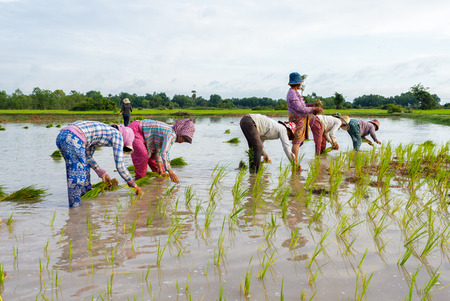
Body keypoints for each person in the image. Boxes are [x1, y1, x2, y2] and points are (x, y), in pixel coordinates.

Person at [56, 121, 142, 207]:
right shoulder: (118, 135)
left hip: (62, 136)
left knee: (83, 168)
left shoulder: (99, 133)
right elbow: (120, 166)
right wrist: (133, 185)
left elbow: (87, 157)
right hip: (73, 138)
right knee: (78, 175)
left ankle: (85, 201)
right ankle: (75, 210)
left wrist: (102, 172)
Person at [128, 118, 195, 183]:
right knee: (143, 156)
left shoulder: (167, 133)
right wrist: (170, 172)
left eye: (185, 141)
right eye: (183, 138)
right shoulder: (171, 134)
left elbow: (158, 150)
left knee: (160, 169)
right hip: (135, 130)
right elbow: (164, 152)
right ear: (180, 132)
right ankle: (139, 182)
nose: (182, 141)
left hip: (145, 137)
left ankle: (159, 186)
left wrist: (160, 167)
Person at [286, 72, 323, 165]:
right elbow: (300, 108)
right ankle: (294, 164)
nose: (301, 84)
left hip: (300, 120)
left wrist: (310, 105)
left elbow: (302, 105)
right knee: (296, 142)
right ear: (298, 83)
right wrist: (314, 109)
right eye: (301, 83)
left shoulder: (295, 93)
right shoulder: (292, 94)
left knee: (297, 142)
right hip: (297, 120)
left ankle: (295, 163)